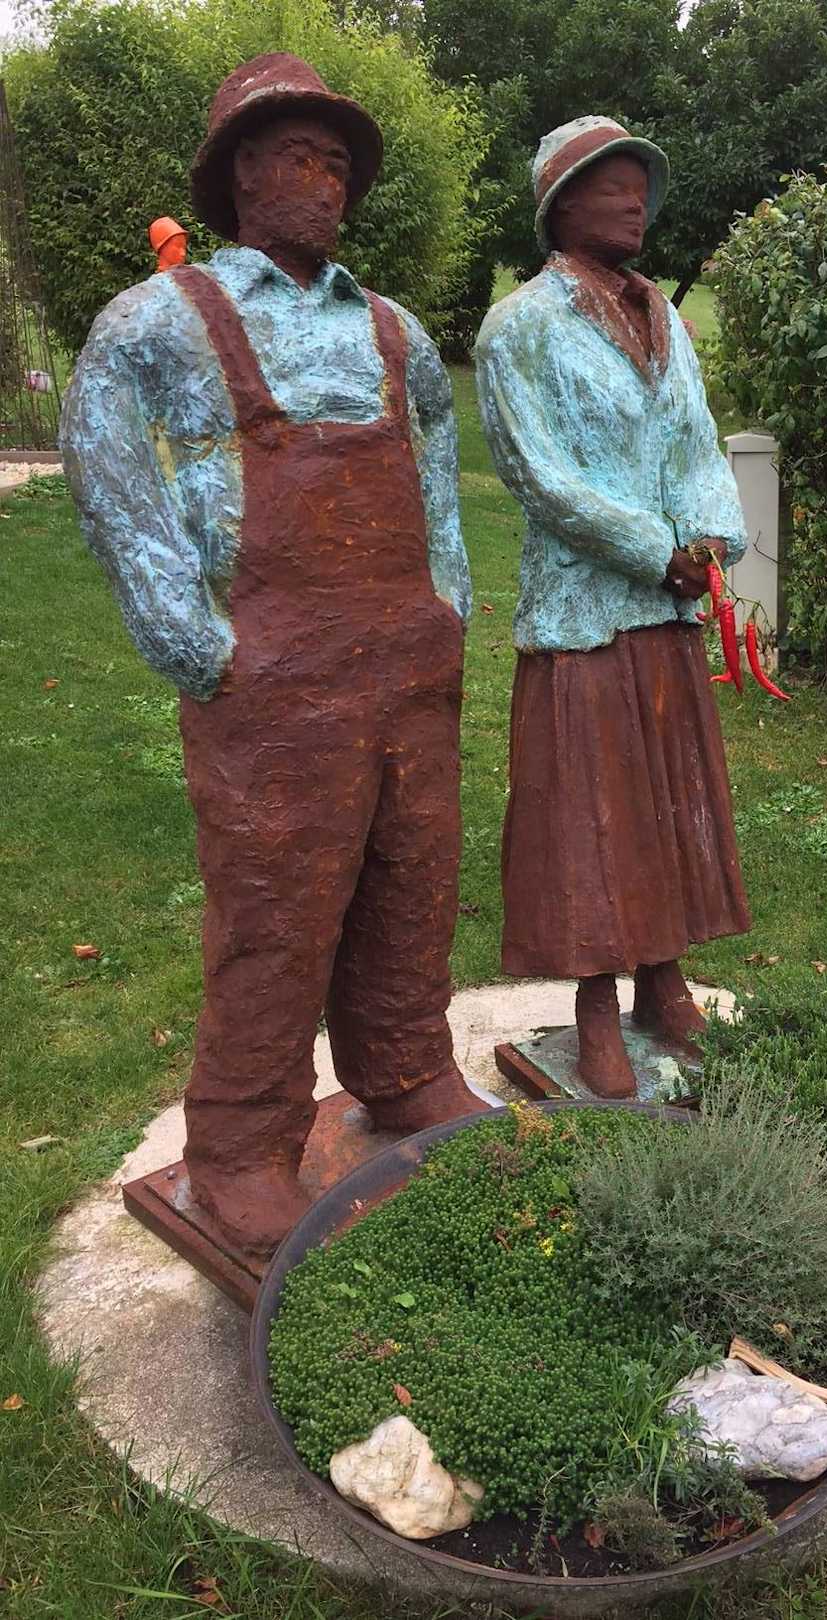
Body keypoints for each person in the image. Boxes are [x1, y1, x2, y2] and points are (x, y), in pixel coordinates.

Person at [62, 54, 484, 1256]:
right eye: (300, 157)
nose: (326, 182)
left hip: (407, 664)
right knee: (277, 906)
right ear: (241, 174)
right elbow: (103, 457)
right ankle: (241, 1144)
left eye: (339, 164)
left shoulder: (392, 331)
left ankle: (405, 1067)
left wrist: (448, 605)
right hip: (271, 675)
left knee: (414, 874)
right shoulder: (159, 320)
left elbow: (438, 472)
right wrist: (191, 641)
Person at [475, 116, 751, 1099]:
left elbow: (698, 443)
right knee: (588, 815)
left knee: (667, 802)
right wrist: (650, 550)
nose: (634, 202)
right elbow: (540, 476)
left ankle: (662, 985)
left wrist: (712, 540)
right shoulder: (519, 329)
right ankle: (595, 1003)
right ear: (560, 207)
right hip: (584, 615)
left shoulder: (665, 319)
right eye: (610, 185)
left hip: (666, 614)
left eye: (641, 186)